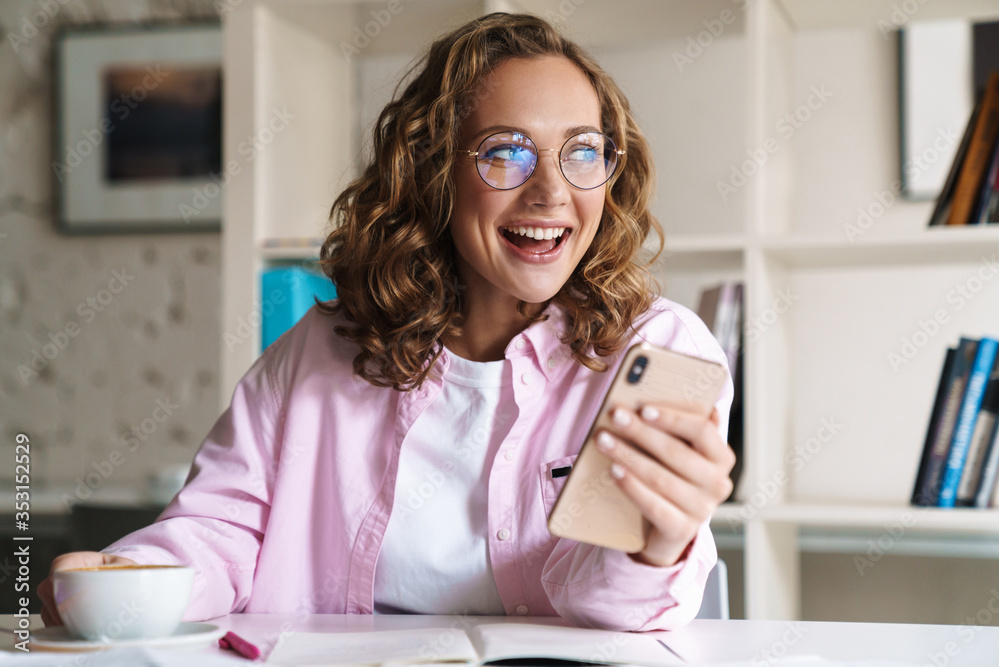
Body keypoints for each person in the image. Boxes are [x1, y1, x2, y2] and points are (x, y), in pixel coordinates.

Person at [39, 12, 735, 632]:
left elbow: (605, 608)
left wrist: (658, 542)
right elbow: (222, 528)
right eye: (505, 151)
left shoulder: (653, 350)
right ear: (433, 168)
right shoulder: (319, 353)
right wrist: (125, 577)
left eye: (583, 150)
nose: (552, 190)